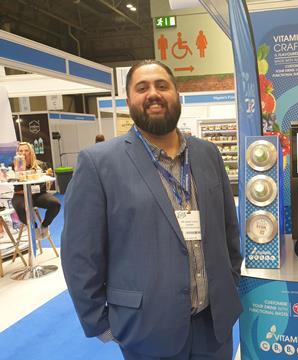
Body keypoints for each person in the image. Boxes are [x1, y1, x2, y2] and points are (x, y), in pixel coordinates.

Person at [61, 60, 242, 360]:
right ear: (128, 101)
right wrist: (100, 323)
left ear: (177, 95)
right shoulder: (99, 163)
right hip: (146, 331)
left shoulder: (207, 154)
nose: (153, 94)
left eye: (162, 85)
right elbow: (80, 253)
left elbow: (228, 230)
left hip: (214, 327)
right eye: (141, 88)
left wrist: (229, 281)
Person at [11, 142, 61, 239]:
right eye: (20, 151)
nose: (23, 153)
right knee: (21, 208)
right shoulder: (14, 166)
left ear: (31, 152)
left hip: (38, 195)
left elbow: (42, 185)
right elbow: (17, 187)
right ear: (17, 153)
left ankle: (45, 225)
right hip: (20, 195)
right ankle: (34, 228)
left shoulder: (40, 165)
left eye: (26, 150)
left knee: (55, 204)